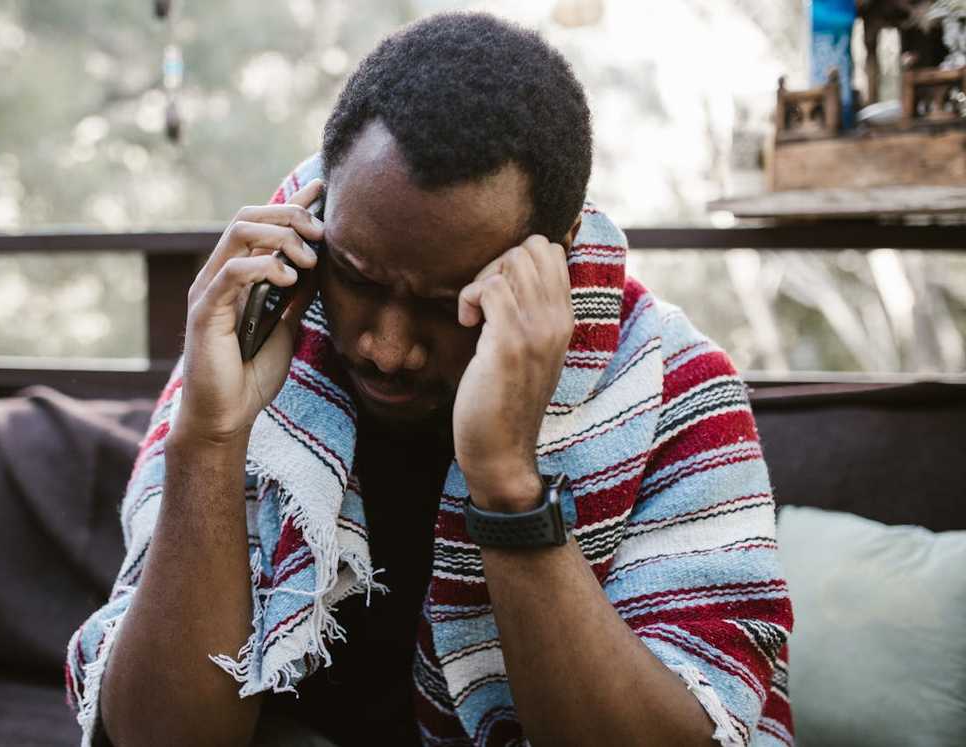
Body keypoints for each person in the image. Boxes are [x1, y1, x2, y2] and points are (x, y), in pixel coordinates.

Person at [66, 12, 793, 747]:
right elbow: (155, 735)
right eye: (354, 276)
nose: (385, 347)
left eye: (448, 303)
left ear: (556, 250)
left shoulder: (679, 392)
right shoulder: (254, 329)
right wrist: (209, 436)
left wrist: (508, 482)